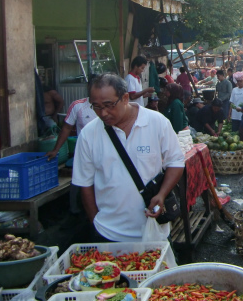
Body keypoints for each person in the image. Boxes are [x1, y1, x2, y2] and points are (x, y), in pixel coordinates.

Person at [73, 73, 185, 242]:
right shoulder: (88, 134)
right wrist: (95, 222)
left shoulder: (157, 122)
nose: (103, 113)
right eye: (96, 107)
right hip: (108, 233)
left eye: (109, 105)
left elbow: (175, 161)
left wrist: (162, 194)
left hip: (153, 233)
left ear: (125, 98)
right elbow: (84, 183)